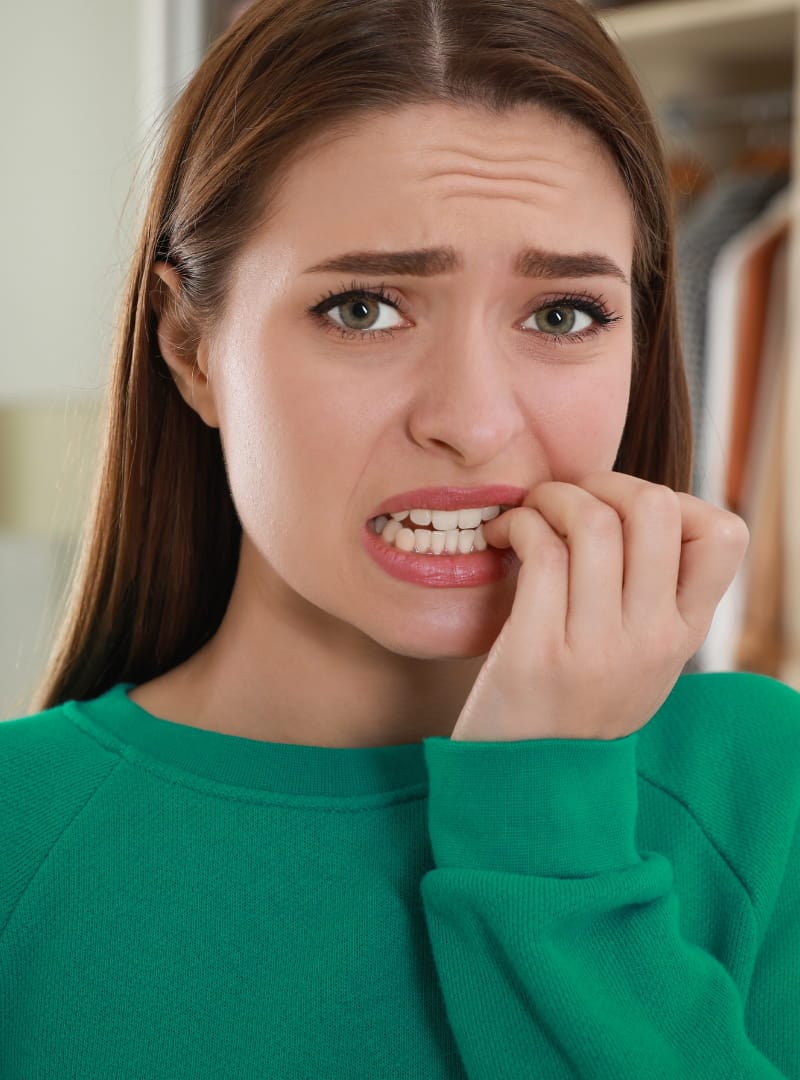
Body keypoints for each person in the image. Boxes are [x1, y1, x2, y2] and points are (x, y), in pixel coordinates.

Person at [2, 0, 798, 1076]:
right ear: (189, 347)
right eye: (365, 308)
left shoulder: (761, 787)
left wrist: (544, 817)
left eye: (560, 314)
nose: (470, 421)